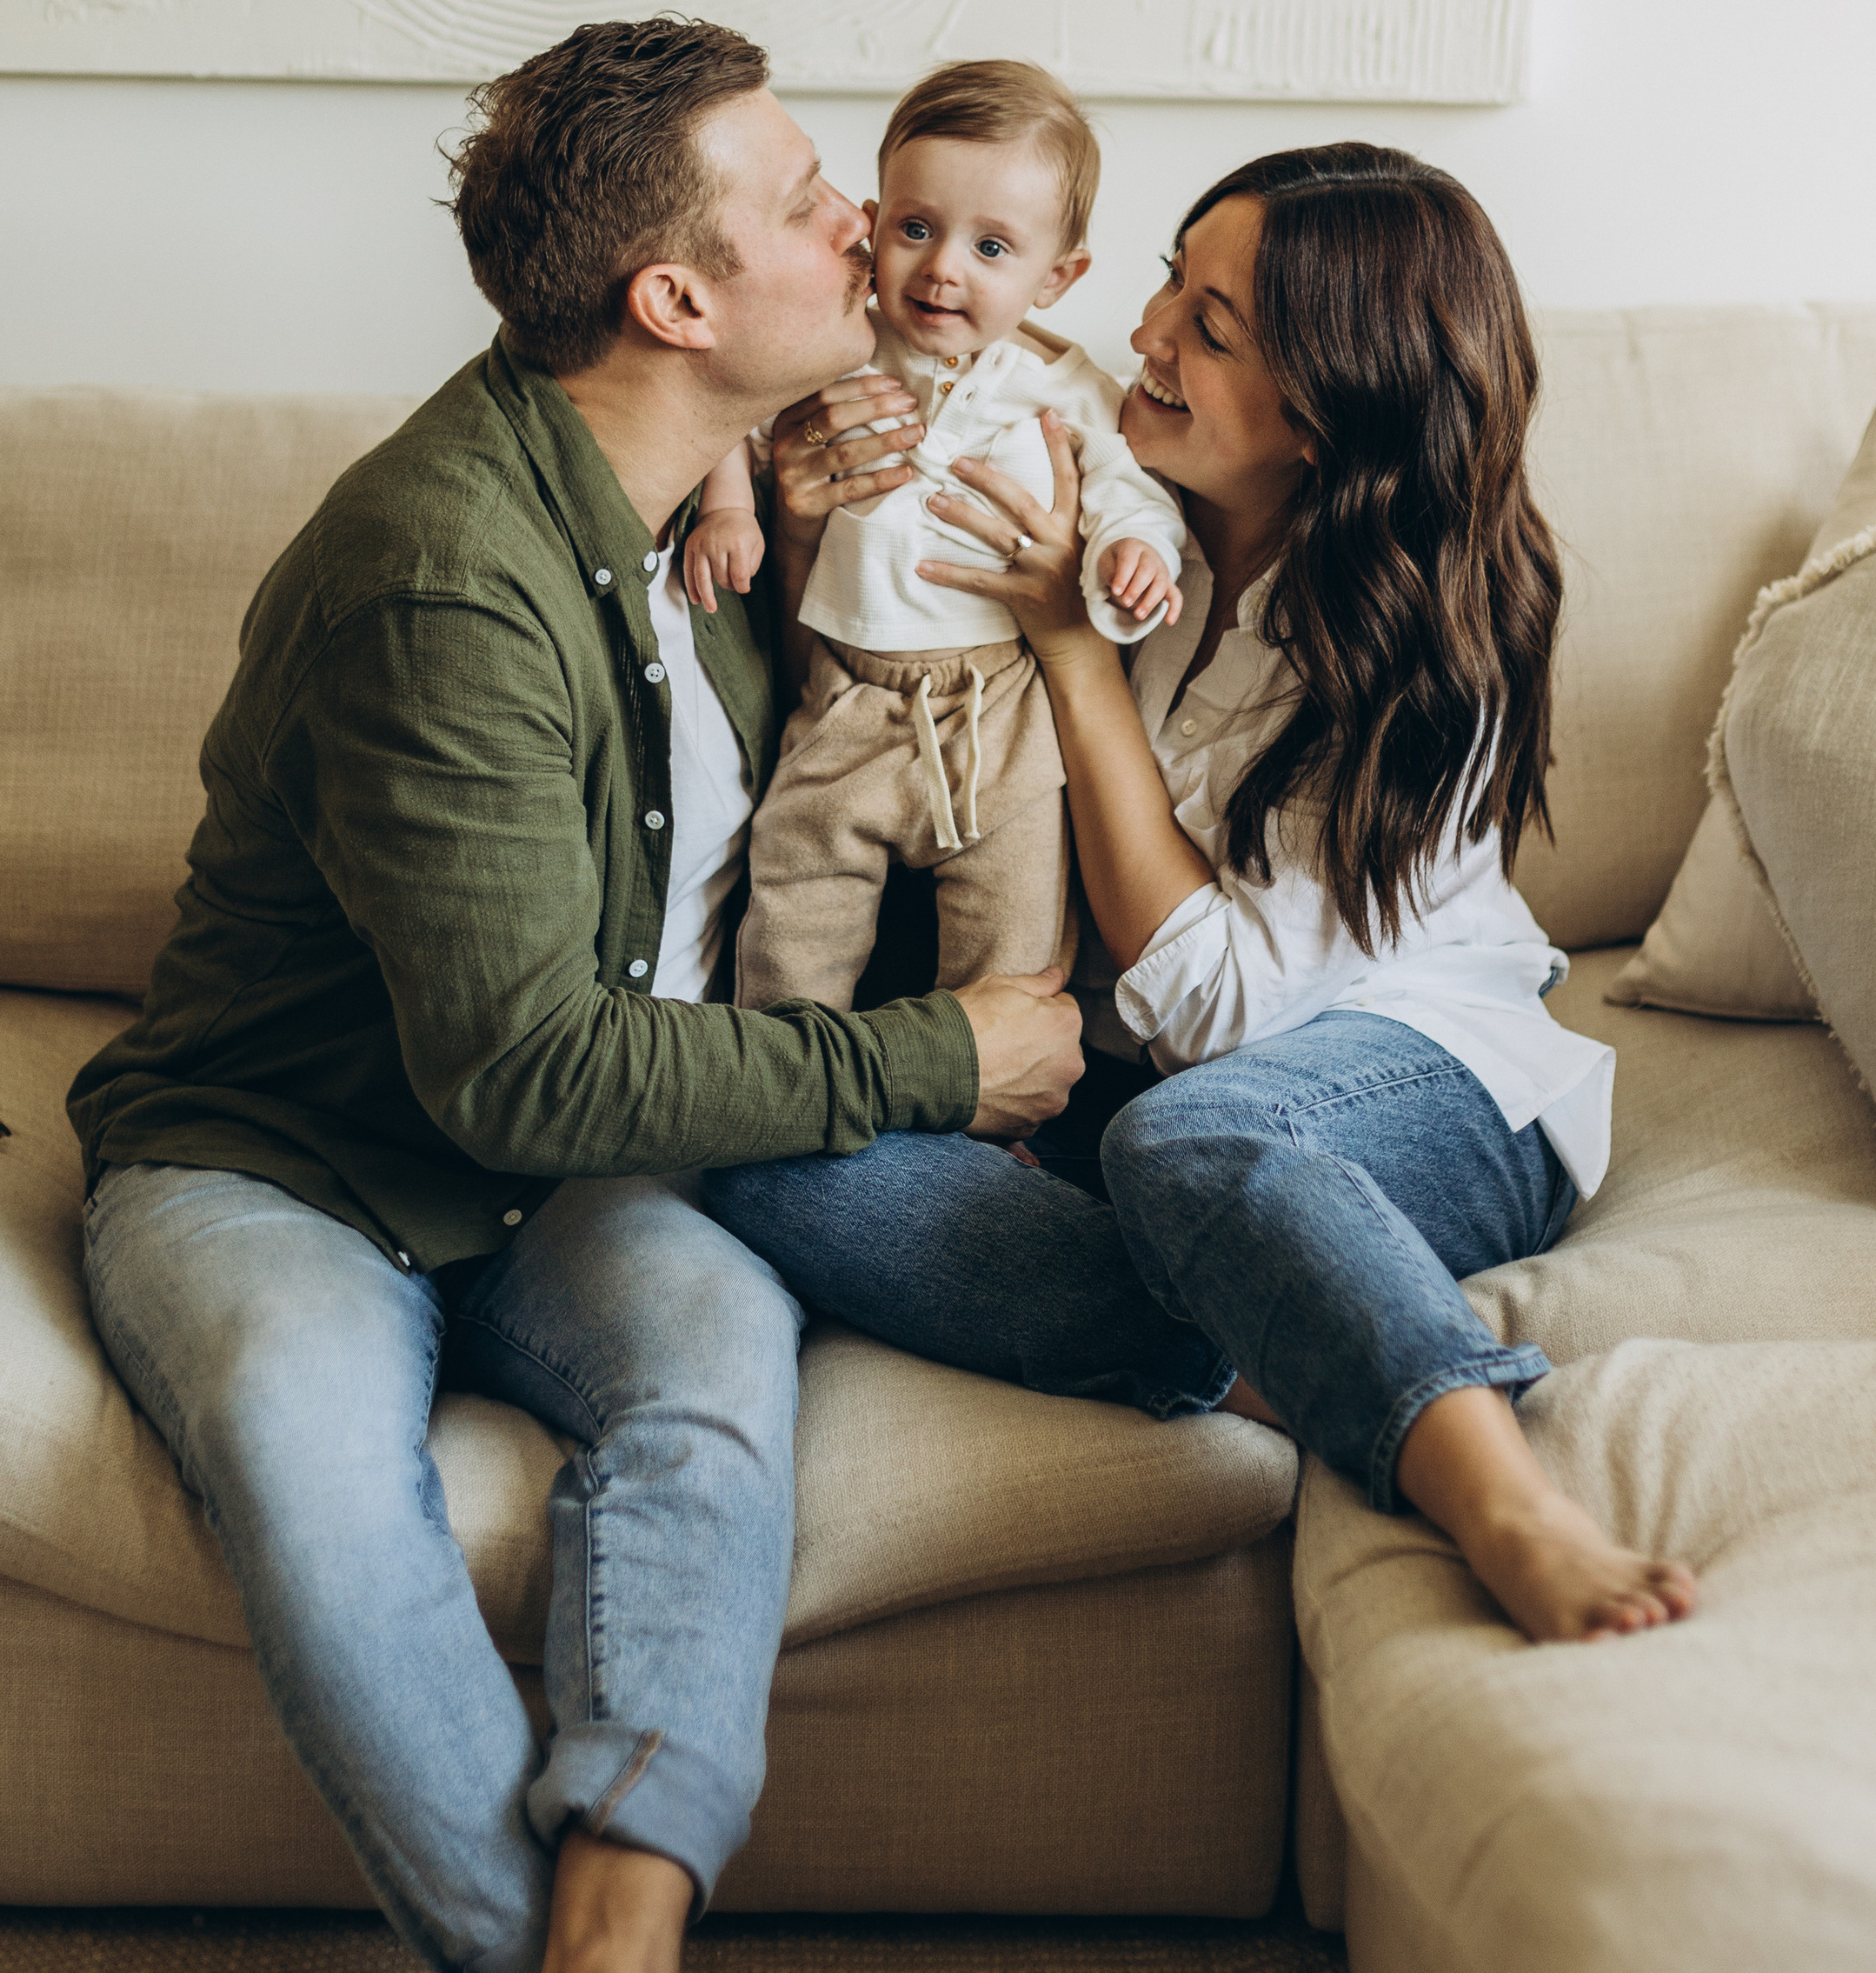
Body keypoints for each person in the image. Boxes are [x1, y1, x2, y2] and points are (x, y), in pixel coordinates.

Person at [64, 17, 1082, 1973]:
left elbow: (997, 422)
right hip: (287, 1159)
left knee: (716, 1358)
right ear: (676, 304)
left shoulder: (706, 483)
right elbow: (527, 1069)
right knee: (316, 1460)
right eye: (814, 195)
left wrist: (750, 500)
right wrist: (942, 1056)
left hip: (542, 1170)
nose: (867, 227)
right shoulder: (449, 576)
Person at [714, 147, 1699, 1645]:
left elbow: (1222, 1017)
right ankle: (1262, 1346)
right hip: (1138, 1118)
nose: (1154, 332)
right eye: (1175, 274)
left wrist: (1069, 646)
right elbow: (873, 732)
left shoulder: (1431, 639)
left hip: (1418, 1078)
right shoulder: (1092, 492)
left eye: (1214, 328)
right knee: (750, 1147)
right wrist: (801, 533)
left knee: (1196, 1129)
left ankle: (1499, 1493)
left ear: (1327, 414)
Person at [685, 60, 1184, 1010]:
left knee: (1015, 935)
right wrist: (728, 508)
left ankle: (998, 1135)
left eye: (993, 248)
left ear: (1057, 276)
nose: (943, 266)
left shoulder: (1066, 387)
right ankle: (784, 1090)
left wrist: (1137, 550)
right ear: (873, 225)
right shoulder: (833, 344)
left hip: (1003, 705)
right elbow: (724, 405)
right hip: (844, 695)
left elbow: (1130, 488)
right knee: (796, 908)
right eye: (917, 229)